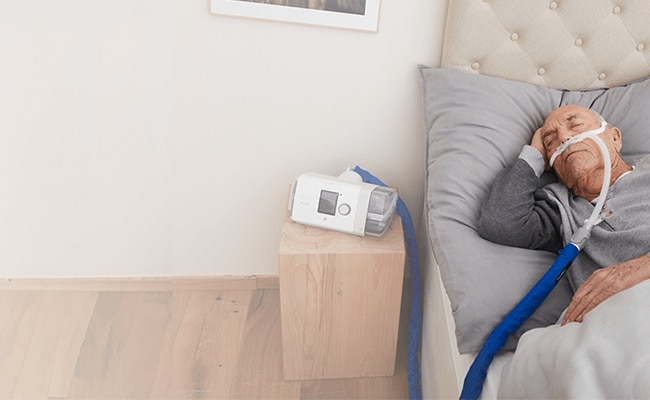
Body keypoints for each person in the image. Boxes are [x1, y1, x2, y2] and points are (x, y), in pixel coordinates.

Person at [478, 104, 650, 325]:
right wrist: (535, 155)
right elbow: (500, 223)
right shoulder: (561, 209)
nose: (564, 137)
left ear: (614, 138)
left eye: (575, 124)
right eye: (550, 142)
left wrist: (632, 272)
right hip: (619, 325)